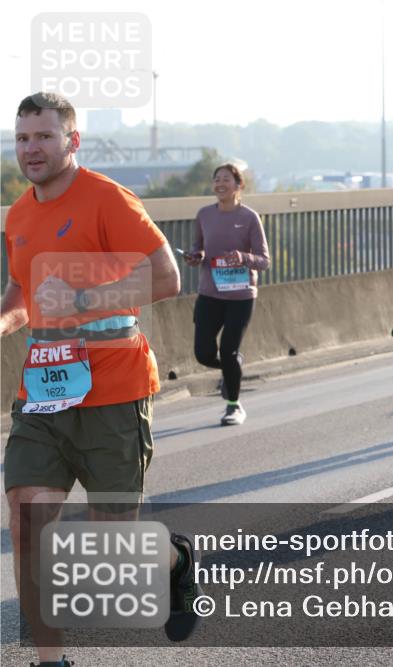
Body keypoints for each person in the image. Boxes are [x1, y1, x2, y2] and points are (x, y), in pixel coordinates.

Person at [1, 92, 201, 667]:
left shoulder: (108, 200)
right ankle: (51, 662)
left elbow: (166, 278)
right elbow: (22, 293)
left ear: (72, 141)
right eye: (22, 138)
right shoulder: (19, 214)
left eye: (43, 137)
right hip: (42, 390)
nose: (31, 149)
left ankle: (175, 562)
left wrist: (86, 297)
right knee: (28, 521)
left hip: (114, 386)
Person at [185, 163, 270, 426]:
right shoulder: (204, 215)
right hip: (210, 293)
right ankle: (233, 366)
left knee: (229, 349)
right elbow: (199, 247)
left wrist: (242, 257)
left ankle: (233, 406)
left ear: (238, 185)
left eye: (226, 179)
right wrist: (194, 256)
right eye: (216, 179)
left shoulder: (249, 217)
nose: (220, 184)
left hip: (240, 296)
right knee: (203, 353)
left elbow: (264, 261)